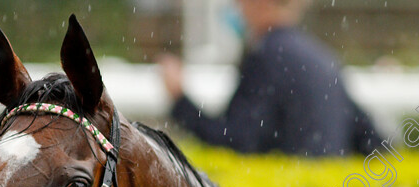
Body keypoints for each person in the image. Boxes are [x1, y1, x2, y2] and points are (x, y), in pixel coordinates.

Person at [160, 0, 377, 157]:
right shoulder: (322, 57)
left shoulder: (266, 58)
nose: (237, 8)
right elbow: (371, 140)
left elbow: (236, 140)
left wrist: (180, 100)